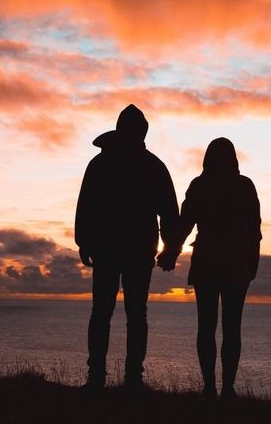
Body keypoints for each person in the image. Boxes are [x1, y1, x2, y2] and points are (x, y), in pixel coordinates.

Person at [75, 104, 179, 392]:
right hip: (132, 249)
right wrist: (170, 248)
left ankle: (102, 377)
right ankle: (128, 378)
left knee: (105, 313)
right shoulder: (151, 165)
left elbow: (86, 206)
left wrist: (84, 240)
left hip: (112, 248)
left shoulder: (102, 164)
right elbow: (169, 211)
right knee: (132, 314)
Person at [174, 137, 261, 400]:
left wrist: (170, 252)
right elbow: (254, 232)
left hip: (209, 263)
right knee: (230, 328)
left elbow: (184, 224)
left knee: (207, 327)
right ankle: (224, 388)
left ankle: (212, 387)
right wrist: (251, 265)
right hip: (234, 264)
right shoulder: (244, 186)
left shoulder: (200, 185)